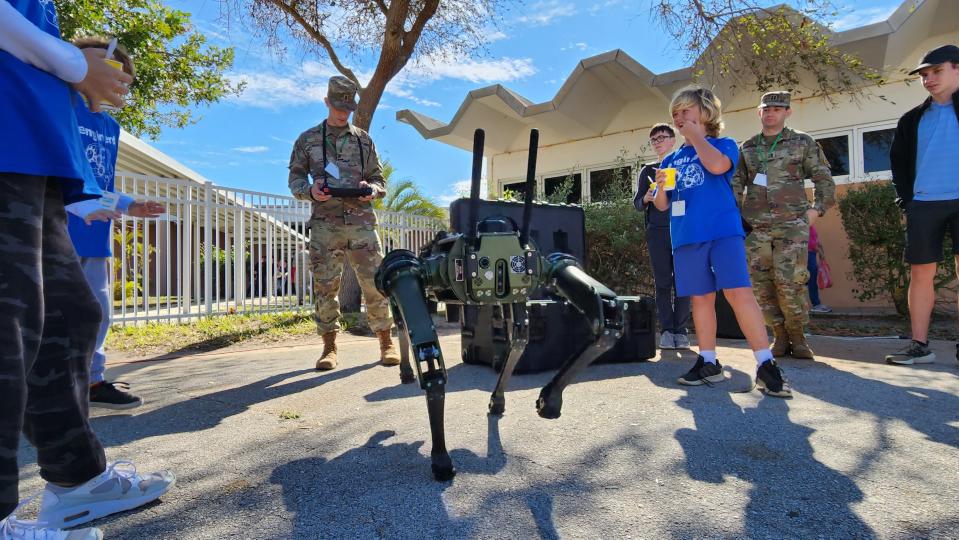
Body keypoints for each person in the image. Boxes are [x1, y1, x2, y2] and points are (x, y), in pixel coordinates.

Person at [0, 2, 173, 538]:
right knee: (8, 326)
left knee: (68, 315)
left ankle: (77, 483)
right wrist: (75, 66)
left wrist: (120, 204)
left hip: (32, 159)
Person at [652, 85, 791, 398]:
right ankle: (709, 361)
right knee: (700, 299)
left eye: (685, 111)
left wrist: (696, 138)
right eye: (675, 114)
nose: (679, 118)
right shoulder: (672, 158)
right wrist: (660, 186)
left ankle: (765, 364)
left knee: (739, 293)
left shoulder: (724, 145)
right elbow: (663, 204)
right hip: (687, 238)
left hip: (723, 233)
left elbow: (717, 167)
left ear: (705, 113)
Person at [66, 37, 165, 411]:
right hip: (57, 230)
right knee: (47, 313)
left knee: (99, 313)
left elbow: (100, 183)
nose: (122, 85)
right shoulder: (58, 107)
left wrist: (130, 204)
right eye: (116, 75)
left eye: (126, 80)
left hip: (95, 236)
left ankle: (92, 382)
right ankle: (44, 387)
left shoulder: (109, 127)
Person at [288, 76, 401, 371]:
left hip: (361, 222)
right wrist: (310, 191)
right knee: (326, 286)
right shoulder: (307, 140)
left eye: (348, 107)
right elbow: (295, 177)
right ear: (327, 102)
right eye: (338, 106)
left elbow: (379, 178)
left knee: (375, 283)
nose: (342, 112)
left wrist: (372, 189)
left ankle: (386, 341)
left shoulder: (364, 140)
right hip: (325, 224)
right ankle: (329, 347)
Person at [731, 91, 836, 359]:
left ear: (787, 112)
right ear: (759, 112)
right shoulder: (748, 147)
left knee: (791, 282)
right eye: (766, 109)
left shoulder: (802, 142)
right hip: (757, 229)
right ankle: (779, 336)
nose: (770, 113)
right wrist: (735, 216)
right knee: (762, 286)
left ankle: (798, 337)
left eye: (777, 109)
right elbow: (736, 183)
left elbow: (824, 179)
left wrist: (815, 211)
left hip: (792, 226)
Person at [886, 44, 959, 366]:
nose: (928, 79)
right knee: (920, 273)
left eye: (936, 71)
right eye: (924, 75)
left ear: (956, 69)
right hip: (924, 204)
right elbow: (898, 163)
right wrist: (907, 201)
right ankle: (919, 346)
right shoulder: (912, 119)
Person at [635, 123, 691, 350]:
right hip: (657, 231)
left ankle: (681, 330)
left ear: (673, 140)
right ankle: (667, 330)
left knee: (684, 282)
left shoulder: (682, 165)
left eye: (662, 137)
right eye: (654, 139)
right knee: (663, 282)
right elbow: (637, 203)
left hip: (683, 229)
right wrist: (647, 198)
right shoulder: (647, 170)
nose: (657, 142)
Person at [807, 225, 832, 314]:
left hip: (812, 254)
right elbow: (810, 243)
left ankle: (815, 304)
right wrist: (820, 251)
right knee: (811, 280)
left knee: (810, 279)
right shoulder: (805, 224)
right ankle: (816, 304)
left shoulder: (811, 226)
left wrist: (821, 250)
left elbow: (815, 240)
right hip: (808, 254)